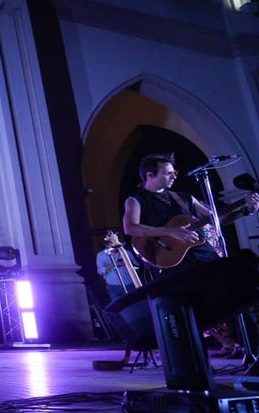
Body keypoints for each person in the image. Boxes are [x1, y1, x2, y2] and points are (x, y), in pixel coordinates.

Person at [123, 152, 259, 358]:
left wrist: (245, 210)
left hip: (203, 253)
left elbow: (217, 220)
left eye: (174, 172)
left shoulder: (184, 197)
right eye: (168, 173)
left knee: (235, 293)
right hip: (172, 260)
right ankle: (197, 359)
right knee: (190, 310)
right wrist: (169, 231)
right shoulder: (136, 200)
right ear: (150, 175)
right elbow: (131, 227)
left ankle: (252, 350)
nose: (174, 176)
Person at [96, 230, 140, 302]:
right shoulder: (101, 255)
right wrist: (115, 264)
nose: (114, 246)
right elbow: (100, 271)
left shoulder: (126, 253)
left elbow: (137, 266)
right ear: (107, 244)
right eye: (111, 244)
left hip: (130, 284)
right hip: (114, 286)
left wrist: (127, 263)